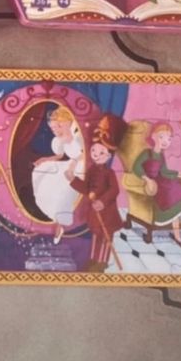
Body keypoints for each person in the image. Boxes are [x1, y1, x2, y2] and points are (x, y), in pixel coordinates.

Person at [68, 114, 125, 272]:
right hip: (95, 213)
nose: (96, 155)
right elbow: (86, 189)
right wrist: (73, 180)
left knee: (106, 238)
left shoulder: (109, 173)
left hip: (107, 213)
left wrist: (102, 201)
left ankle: (102, 262)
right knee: (95, 236)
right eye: (94, 151)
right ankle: (93, 260)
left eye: (101, 153)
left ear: (108, 156)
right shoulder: (91, 170)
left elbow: (114, 190)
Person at [132, 122, 181, 248]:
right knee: (171, 195)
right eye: (162, 137)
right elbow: (136, 167)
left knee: (177, 187)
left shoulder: (161, 155)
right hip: (154, 185)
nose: (165, 141)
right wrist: (146, 179)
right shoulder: (146, 153)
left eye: (169, 139)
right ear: (153, 136)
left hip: (163, 181)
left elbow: (165, 171)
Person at [31, 106, 85, 245]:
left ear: (67, 123)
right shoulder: (59, 139)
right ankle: (56, 219)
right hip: (70, 164)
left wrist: (73, 164)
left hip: (81, 167)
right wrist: (45, 159)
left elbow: (84, 154)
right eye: (53, 128)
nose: (56, 130)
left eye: (59, 126)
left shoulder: (78, 136)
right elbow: (60, 155)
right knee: (42, 170)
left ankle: (60, 224)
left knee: (64, 188)